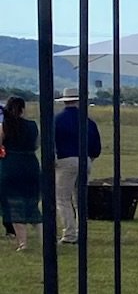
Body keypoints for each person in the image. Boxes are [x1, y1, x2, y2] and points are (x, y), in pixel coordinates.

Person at [54, 87, 102, 246]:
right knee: (80, 198)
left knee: (62, 198)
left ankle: (69, 234)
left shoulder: (57, 119)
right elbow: (96, 147)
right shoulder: (88, 121)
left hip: (65, 160)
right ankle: (82, 231)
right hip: (86, 159)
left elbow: (51, 141)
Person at [0, 95, 43, 252]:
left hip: (11, 165)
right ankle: (45, 239)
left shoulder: (4, 126)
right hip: (30, 164)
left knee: (14, 205)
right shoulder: (33, 126)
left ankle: (23, 243)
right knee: (32, 203)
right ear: (22, 109)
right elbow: (37, 145)